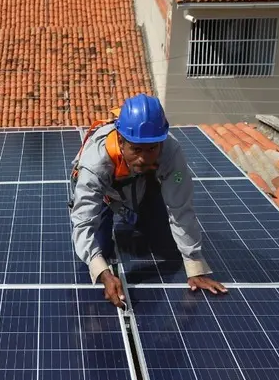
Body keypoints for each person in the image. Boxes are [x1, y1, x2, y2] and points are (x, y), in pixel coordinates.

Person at [69, 93, 227, 307]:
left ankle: (137, 217)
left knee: (162, 240)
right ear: (121, 141)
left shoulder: (171, 153)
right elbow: (83, 222)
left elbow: (181, 209)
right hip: (105, 194)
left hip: (142, 185)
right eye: (136, 149)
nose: (144, 158)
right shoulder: (95, 163)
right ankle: (124, 218)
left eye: (152, 149)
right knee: (101, 250)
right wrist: (103, 273)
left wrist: (194, 265)